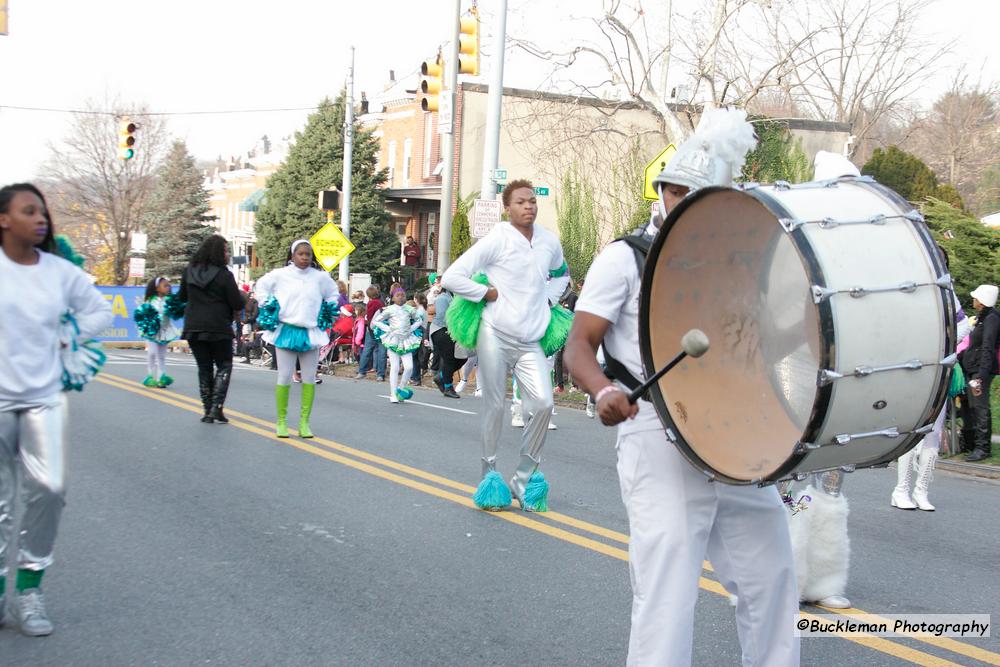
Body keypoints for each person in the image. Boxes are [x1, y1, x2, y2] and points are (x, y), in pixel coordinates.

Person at [564, 109, 799, 666]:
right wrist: (601, 392)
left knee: (772, 578)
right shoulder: (624, 258)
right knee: (667, 589)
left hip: (733, 433)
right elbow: (578, 346)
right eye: (675, 191)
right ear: (664, 191)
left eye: (698, 196)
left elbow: (761, 345)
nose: (682, 204)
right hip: (654, 427)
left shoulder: (738, 264)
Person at [0, 182, 113, 636]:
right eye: (29, 211)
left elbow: (99, 312)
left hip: (44, 397)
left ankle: (29, 590)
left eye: (42, 211)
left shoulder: (58, 272)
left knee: (49, 490)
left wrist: (69, 333)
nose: (41, 218)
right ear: (4, 219)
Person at [442, 179, 570, 512]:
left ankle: (524, 478)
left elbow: (562, 275)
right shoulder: (497, 238)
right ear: (507, 207)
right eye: (521, 202)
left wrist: (548, 300)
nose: (528, 206)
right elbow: (453, 277)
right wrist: (485, 293)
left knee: (543, 404)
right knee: (495, 406)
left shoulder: (549, 241)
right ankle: (490, 477)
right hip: (495, 333)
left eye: (532, 202)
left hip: (531, 339)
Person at [891, 246, 972, 510]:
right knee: (913, 430)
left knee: (933, 434)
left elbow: (963, 325)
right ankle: (900, 490)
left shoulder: (948, 293)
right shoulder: (909, 289)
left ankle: (922, 490)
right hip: (914, 370)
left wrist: (943, 347)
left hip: (940, 371)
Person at [255, 239, 338, 438]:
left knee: (309, 378)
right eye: (300, 254)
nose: (304, 257)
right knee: (284, 376)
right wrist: (268, 304)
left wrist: (327, 310)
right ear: (292, 255)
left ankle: (304, 423)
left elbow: (333, 295)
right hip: (286, 331)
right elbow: (261, 287)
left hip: (310, 332)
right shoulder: (281, 275)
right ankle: (281, 422)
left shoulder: (320, 277)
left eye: (308, 254)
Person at [177, 234, 246, 424]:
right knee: (224, 365)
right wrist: (241, 297)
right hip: (218, 326)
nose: (227, 254)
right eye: (225, 250)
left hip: (194, 326)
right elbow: (235, 301)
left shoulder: (189, 271)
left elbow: (182, 297)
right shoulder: (224, 275)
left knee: (204, 368)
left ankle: (207, 410)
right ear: (218, 252)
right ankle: (217, 407)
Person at [958, 284, 999, 462]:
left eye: (975, 298)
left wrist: (981, 376)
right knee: (969, 406)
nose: (973, 300)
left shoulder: (991, 319)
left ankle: (983, 448)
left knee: (980, 408)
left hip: (980, 371)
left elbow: (987, 348)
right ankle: (970, 443)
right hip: (972, 368)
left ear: (981, 302)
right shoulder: (982, 318)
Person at [371, 288, 422, 403]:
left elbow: (419, 320)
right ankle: (393, 394)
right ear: (393, 298)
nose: (400, 297)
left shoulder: (410, 309)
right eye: (398, 295)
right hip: (393, 340)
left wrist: (411, 329)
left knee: (409, 367)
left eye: (403, 295)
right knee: (395, 367)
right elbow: (376, 321)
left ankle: (401, 388)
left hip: (406, 340)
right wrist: (388, 329)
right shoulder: (389, 309)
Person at [134, 276, 181, 388]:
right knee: (152, 353)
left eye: (168, 285)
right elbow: (143, 313)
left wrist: (177, 309)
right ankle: (150, 376)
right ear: (157, 288)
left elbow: (174, 313)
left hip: (165, 331)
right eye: (165, 286)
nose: (168, 288)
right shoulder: (150, 300)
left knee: (162, 355)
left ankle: (161, 378)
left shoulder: (169, 301)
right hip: (152, 331)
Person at [429, 286, 462, 399]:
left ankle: (441, 376)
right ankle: (448, 387)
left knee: (463, 357)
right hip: (440, 330)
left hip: (452, 331)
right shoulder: (442, 298)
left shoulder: (456, 297)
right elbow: (443, 317)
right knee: (450, 358)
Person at [355, 286, 386, 381]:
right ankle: (380, 374)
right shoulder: (382, 303)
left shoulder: (371, 303)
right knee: (382, 352)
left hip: (372, 330)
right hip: (381, 330)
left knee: (367, 351)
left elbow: (369, 317)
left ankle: (362, 371)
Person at [410, 292, 430, 385]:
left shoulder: (419, 311)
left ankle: (415, 377)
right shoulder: (425, 310)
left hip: (418, 334)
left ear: (416, 300)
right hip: (424, 333)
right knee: (417, 356)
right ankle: (415, 377)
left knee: (415, 357)